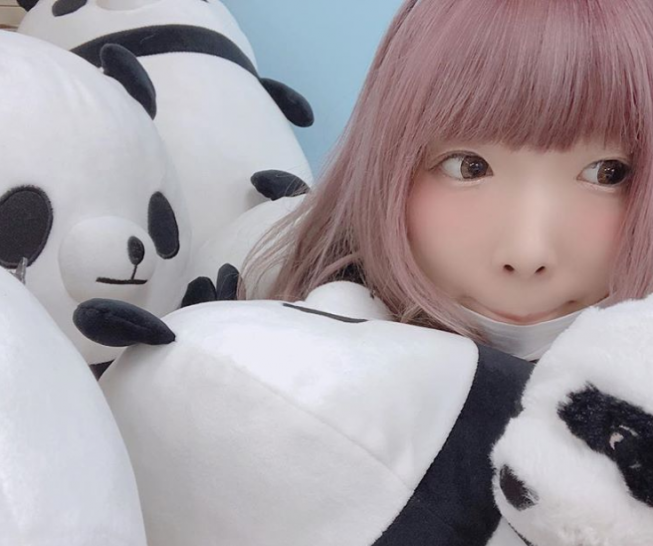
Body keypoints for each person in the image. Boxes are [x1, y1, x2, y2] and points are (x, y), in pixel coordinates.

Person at [244, 0, 653, 361]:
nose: (527, 254)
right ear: (387, 166)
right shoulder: (278, 365)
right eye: (469, 167)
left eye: (607, 174)